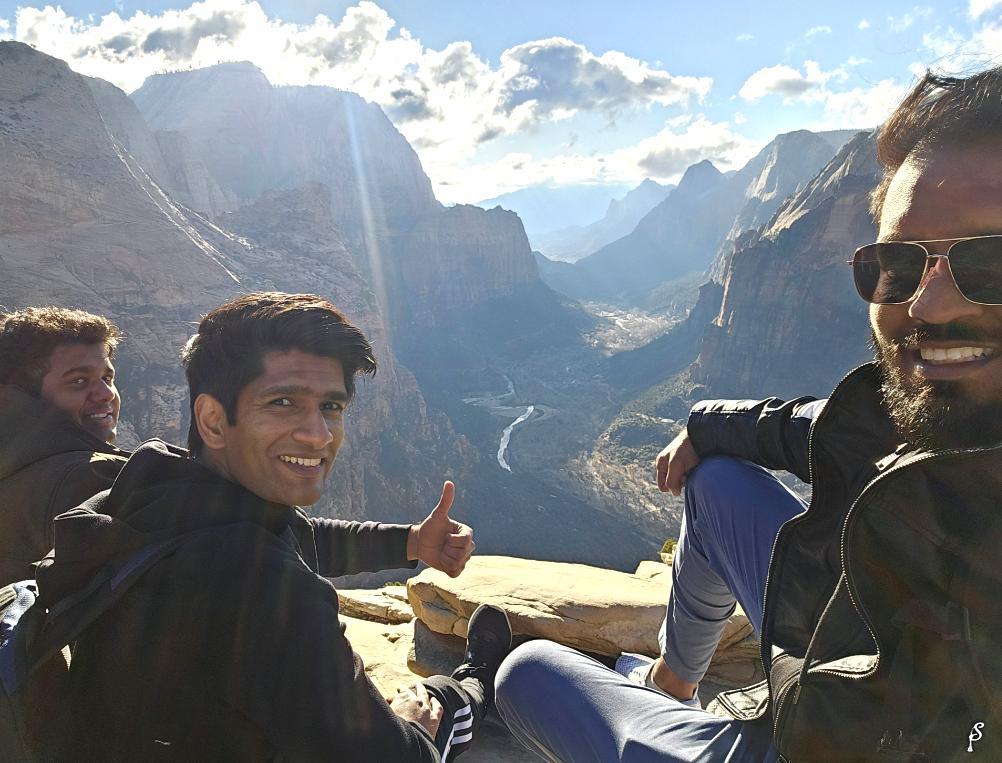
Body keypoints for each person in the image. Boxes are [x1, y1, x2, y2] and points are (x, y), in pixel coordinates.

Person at [495, 66, 1002, 761]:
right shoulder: (930, 417)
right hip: (846, 631)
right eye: (900, 265)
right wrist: (705, 424)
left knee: (525, 675)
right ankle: (673, 682)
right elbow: (827, 428)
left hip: (827, 741)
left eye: (990, 263)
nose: (929, 305)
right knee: (716, 480)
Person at [36, 292, 511, 761]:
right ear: (213, 420)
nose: (318, 434)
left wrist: (410, 542)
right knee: (436, 703)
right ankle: (475, 684)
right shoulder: (259, 585)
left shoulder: (151, 494)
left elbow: (295, 534)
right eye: (283, 402)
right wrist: (414, 725)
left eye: (332, 406)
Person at [0, 306, 128, 584]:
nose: (106, 394)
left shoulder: (15, 468)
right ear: (27, 397)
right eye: (79, 381)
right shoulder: (91, 481)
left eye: (107, 378)